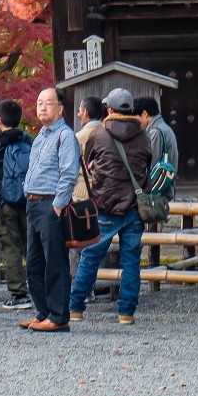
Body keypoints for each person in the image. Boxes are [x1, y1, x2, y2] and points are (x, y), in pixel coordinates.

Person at [68, 87, 154, 325]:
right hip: (135, 206)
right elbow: (148, 165)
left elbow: (88, 162)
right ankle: (126, 312)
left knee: (91, 256)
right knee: (131, 261)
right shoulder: (144, 136)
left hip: (105, 205)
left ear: (109, 109)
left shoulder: (99, 134)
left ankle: (75, 308)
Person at [22, 88, 80, 333]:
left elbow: (68, 174)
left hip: (50, 204)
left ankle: (58, 316)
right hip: (32, 203)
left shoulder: (65, 136)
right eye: (39, 103)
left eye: (48, 103)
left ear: (60, 108)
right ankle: (43, 311)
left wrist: (57, 205)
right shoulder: (40, 135)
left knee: (54, 261)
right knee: (34, 262)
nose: (42, 107)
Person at [0, 100, 33, 308]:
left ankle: (18, 294)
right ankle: (38, 289)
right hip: (29, 198)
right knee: (31, 245)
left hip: (4, 200)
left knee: (10, 246)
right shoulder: (30, 140)